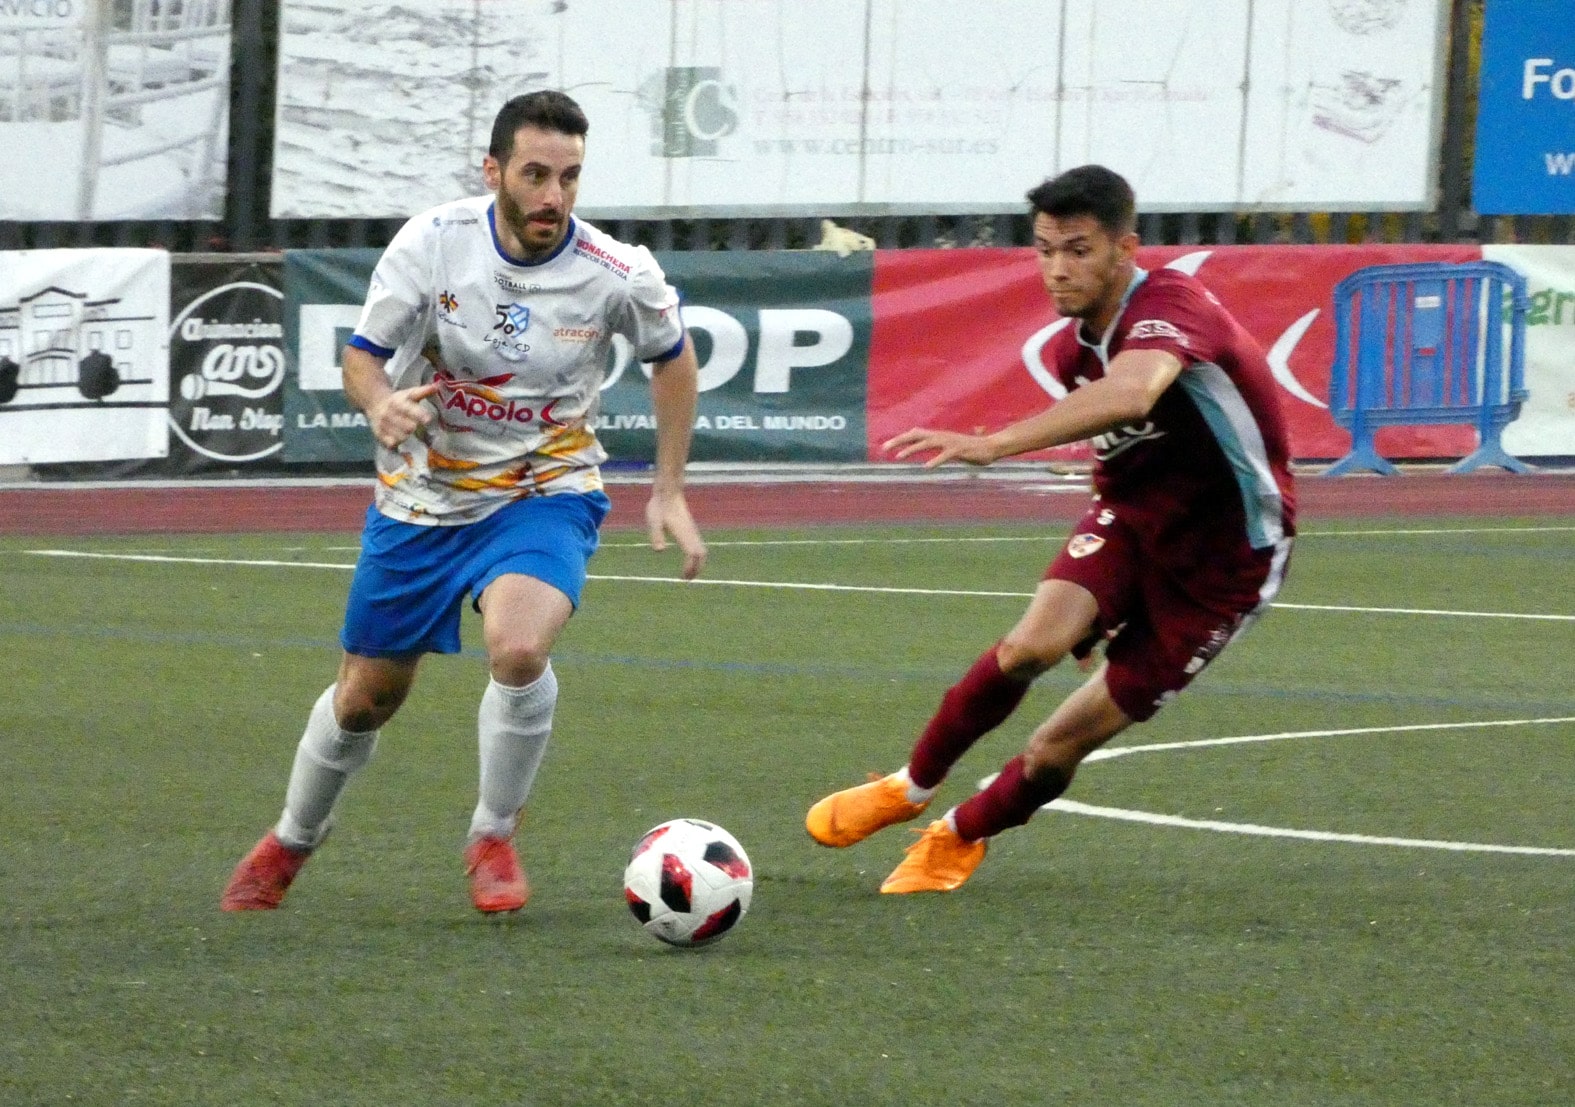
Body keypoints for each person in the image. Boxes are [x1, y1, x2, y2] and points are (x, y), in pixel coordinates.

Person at [221, 90, 707, 914]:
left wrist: (668, 488)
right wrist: (379, 405)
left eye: (570, 177)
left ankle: (493, 831)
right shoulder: (432, 243)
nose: (554, 195)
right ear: (493, 171)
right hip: (423, 496)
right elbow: (362, 359)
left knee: (518, 650)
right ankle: (292, 839)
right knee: (365, 698)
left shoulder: (619, 272)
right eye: (535, 174)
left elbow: (673, 358)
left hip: (542, 490)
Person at [806, 164, 1295, 893]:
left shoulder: (1172, 304)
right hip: (1134, 519)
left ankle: (959, 835)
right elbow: (1123, 457)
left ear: (1125, 248)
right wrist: (1100, 601)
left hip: (1226, 563)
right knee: (1027, 646)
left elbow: (1133, 394)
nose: (1057, 270)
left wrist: (993, 442)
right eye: (1043, 250)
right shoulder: (1073, 349)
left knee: (1054, 744)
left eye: (1077, 250)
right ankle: (907, 787)